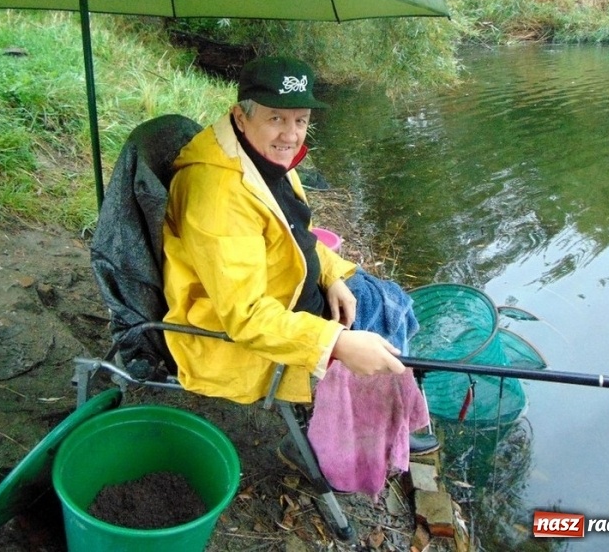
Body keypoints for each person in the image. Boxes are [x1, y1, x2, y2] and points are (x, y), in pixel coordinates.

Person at [162, 56, 438, 491]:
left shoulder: (260, 158)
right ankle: (332, 446)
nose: (290, 134)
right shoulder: (219, 196)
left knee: (384, 299)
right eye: (276, 118)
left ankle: (390, 423)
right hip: (230, 332)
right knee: (374, 343)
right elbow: (246, 317)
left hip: (290, 292)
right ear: (240, 114)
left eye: (300, 120)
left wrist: (332, 277)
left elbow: (299, 235)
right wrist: (337, 343)